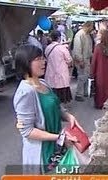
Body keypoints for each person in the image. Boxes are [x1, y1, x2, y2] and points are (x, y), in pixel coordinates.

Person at [13, 44, 84, 174]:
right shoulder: (25, 92)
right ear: (25, 63)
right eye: (38, 59)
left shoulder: (43, 83)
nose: (44, 62)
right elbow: (27, 131)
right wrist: (59, 137)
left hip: (56, 147)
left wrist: (68, 117)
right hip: (42, 153)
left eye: (43, 58)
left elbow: (56, 106)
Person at [90, 30, 108, 109]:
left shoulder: (98, 48)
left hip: (100, 72)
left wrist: (92, 73)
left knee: (100, 89)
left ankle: (100, 104)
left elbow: (94, 61)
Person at [44, 30, 73, 108]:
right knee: (61, 90)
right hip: (61, 72)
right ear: (59, 38)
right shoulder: (62, 48)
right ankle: (61, 107)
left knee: (53, 89)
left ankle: (54, 105)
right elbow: (69, 60)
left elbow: (46, 58)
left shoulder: (47, 48)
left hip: (50, 72)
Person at [72, 21, 94, 102]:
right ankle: (78, 94)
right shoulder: (79, 34)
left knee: (86, 76)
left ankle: (85, 92)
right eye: (91, 26)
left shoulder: (87, 35)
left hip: (87, 59)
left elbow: (88, 48)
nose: (92, 28)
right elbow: (77, 49)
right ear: (88, 26)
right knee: (82, 77)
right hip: (81, 59)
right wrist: (80, 60)